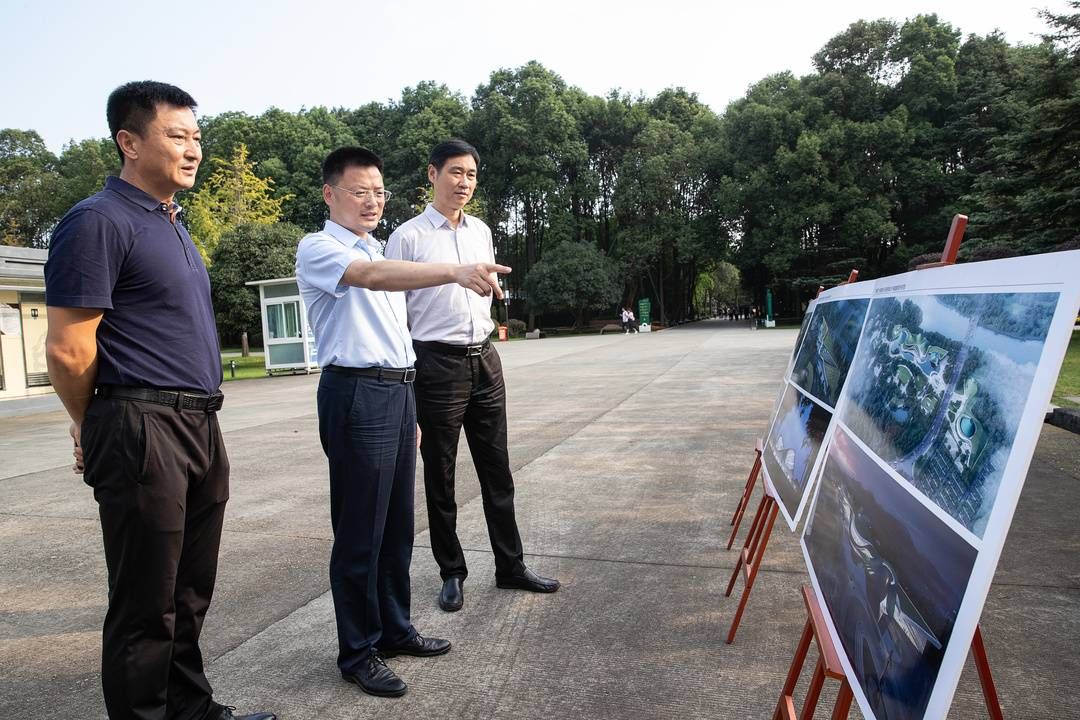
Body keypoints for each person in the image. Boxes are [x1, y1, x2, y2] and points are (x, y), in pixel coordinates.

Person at [44, 81, 274, 720]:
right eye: (177, 136)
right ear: (129, 141)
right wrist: (91, 424)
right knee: (147, 600)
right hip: (143, 422)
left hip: (199, 422)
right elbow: (68, 348)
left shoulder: (171, 223)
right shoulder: (98, 220)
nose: (194, 149)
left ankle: (192, 710)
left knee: (189, 590)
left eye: (197, 137)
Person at [295, 146, 511, 698]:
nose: (372, 202)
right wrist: (454, 271)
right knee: (360, 531)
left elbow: (398, 335)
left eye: (379, 192)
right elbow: (371, 278)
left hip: (398, 390)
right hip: (356, 392)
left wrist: (411, 406)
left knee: (395, 526)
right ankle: (358, 651)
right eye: (359, 191)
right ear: (330, 194)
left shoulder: (375, 245)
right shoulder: (322, 248)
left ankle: (394, 629)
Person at [385, 139, 560, 614]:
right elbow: (395, 314)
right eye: (455, 173)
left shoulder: (481, 230)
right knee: (440, 475)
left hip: (484, 360)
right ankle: (452, 572)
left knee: (497, 470)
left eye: (472, 175)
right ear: (432, 175)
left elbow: (482, 290)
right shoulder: (408, 238)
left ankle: (510, 566)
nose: (464, 183)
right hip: (435, 365)